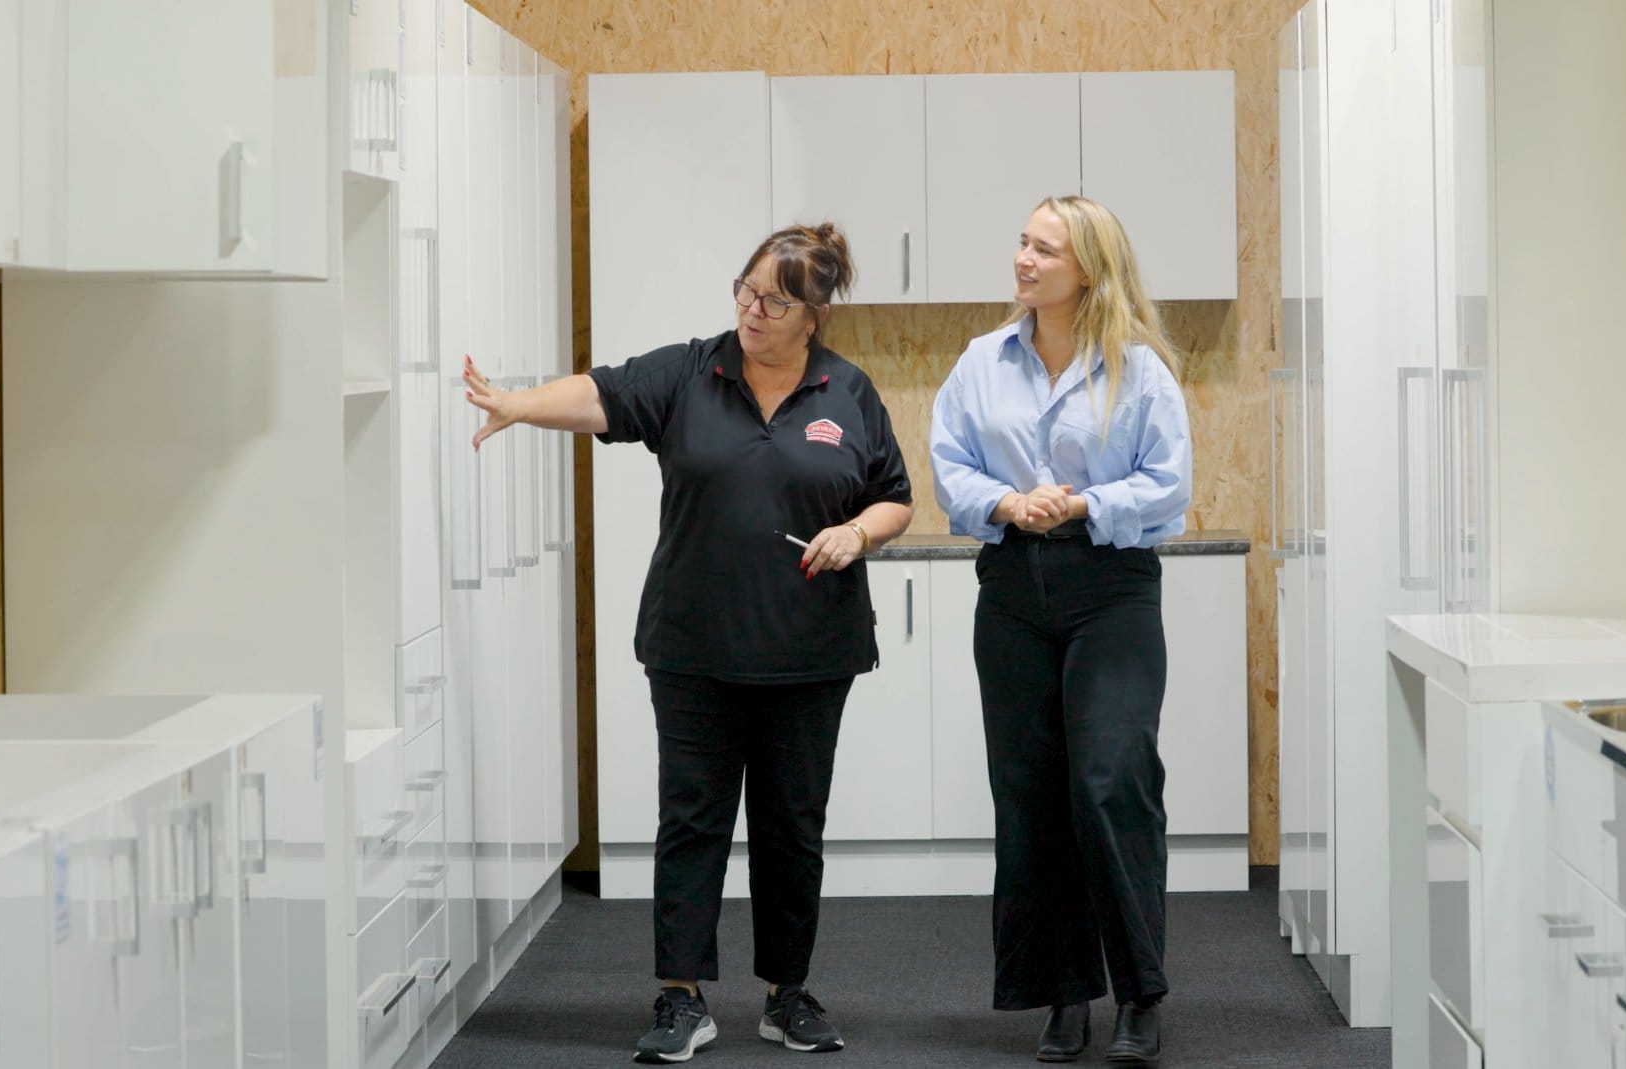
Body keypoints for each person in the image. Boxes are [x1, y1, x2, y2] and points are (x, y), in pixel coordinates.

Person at [463, 222, 914, 1063]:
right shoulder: (690, 371)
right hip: (694, 645)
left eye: (774, 300)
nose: (752, 309)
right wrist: (516, 405)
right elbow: (601, 394)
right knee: (693, 819)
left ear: (812, 314)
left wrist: (857, 531)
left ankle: (788, 993)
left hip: (811, 651)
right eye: (745, 290)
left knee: (791, 824)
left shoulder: (848, 392)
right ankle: (681, 996)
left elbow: (896, 496)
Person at [927, 195, 1192, 1065]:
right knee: (1033, 791)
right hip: (1011, 588)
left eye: (1044, 248)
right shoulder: (980, 362)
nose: (1024, 259)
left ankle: (1141, 993)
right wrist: (1005, 499)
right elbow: (950, 465)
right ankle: (1065, 995)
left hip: (1109, 587)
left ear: (1088, 267)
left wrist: (1083, 501)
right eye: (1022, 242)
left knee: (1111, 780)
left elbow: (1168, 486)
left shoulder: (1140, 367)